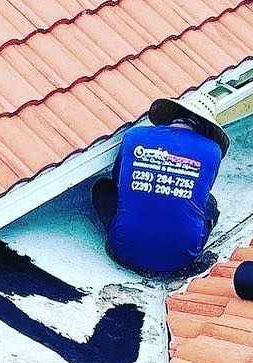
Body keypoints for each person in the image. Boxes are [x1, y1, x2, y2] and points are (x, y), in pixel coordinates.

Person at [92, 93, 228, 274]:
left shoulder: (134, 136)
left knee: (102, 187)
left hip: (125, 249)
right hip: (182, 257)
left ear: (173, 115)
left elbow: (119, 182)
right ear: (206, 128)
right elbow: (202, 192)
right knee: (209, 203)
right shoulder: (212, 150)